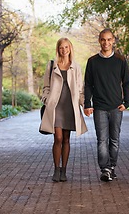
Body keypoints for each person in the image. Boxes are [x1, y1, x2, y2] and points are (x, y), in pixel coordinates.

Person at [84, 29, 129, 182]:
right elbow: (88, 85)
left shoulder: (120, 60)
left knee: (114, 140)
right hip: (99, 107)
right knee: (102, 140)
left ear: (113, 41)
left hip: (116, 107)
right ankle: (105, 169)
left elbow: (126, 83)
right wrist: (87, 103)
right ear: (99, 40)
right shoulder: (92, 61)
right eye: (103, 39)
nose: (106, 43)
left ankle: (111, 167)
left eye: (109, 39)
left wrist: (127, 102)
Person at [40, 37, 87, 182]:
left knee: (66, 139)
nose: (64, 50)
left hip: (70, 107)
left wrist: (84, 104)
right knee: (58, 138)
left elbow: (80, 88)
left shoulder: (76, 66)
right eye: (61, 47)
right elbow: (46, 86)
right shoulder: (52, 65)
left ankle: (64, 170)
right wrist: (46, 100)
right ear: (58, 49)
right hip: (56, 106)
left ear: (70, 48)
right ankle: (56, 169)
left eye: (66, 47)